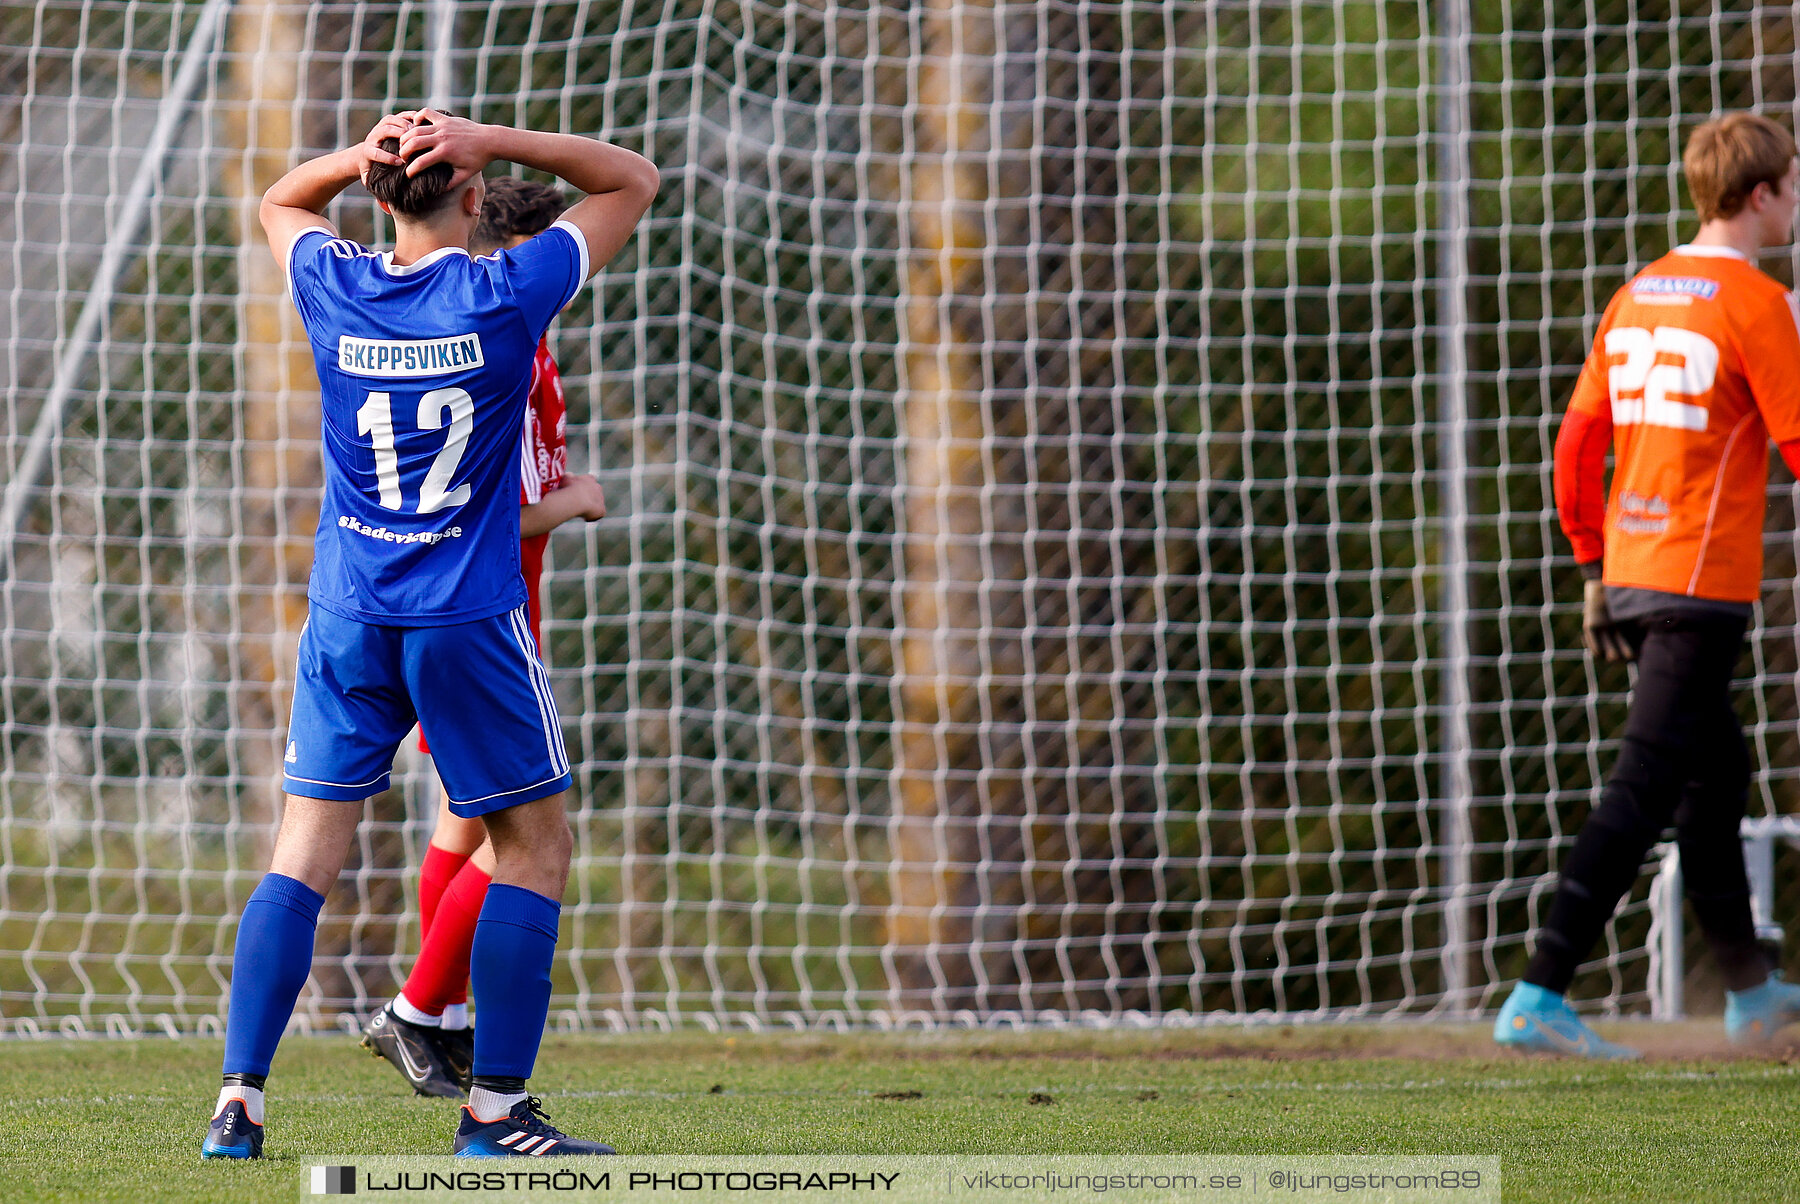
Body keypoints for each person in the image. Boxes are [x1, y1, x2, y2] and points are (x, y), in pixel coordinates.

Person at [202, 110, 656, 1158]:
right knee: (534, 845)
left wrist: (362, 157)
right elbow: (630, 180)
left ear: (376, 196)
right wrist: (486, 132)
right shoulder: (506, 295)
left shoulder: (337, 284)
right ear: (470, 193)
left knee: (303, 854)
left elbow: (280, 200)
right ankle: (492, 1113)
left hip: (350, 611)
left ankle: (239, 1101)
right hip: (465, 620)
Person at [1497, 112, 1800, 1058]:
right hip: (1697, 584)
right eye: (1793, 184)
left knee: (1714, 783)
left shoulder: (1637, 294)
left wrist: (1593, 563)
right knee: (1643, 787)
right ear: (1761, 196)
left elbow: (1576, 445)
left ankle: (1750, 995)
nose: (1796, 200)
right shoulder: (1753, 302)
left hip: (1629, 572)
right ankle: (1540, 991)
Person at [359, 178, 605, 1099]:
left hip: (486, 606)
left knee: (464, 824)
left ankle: (444, 1017)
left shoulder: (527, 342)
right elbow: (481, 510)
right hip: (480, 610)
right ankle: (421, 1009)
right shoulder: (499, 349)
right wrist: (572, 501)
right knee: (519, 836)